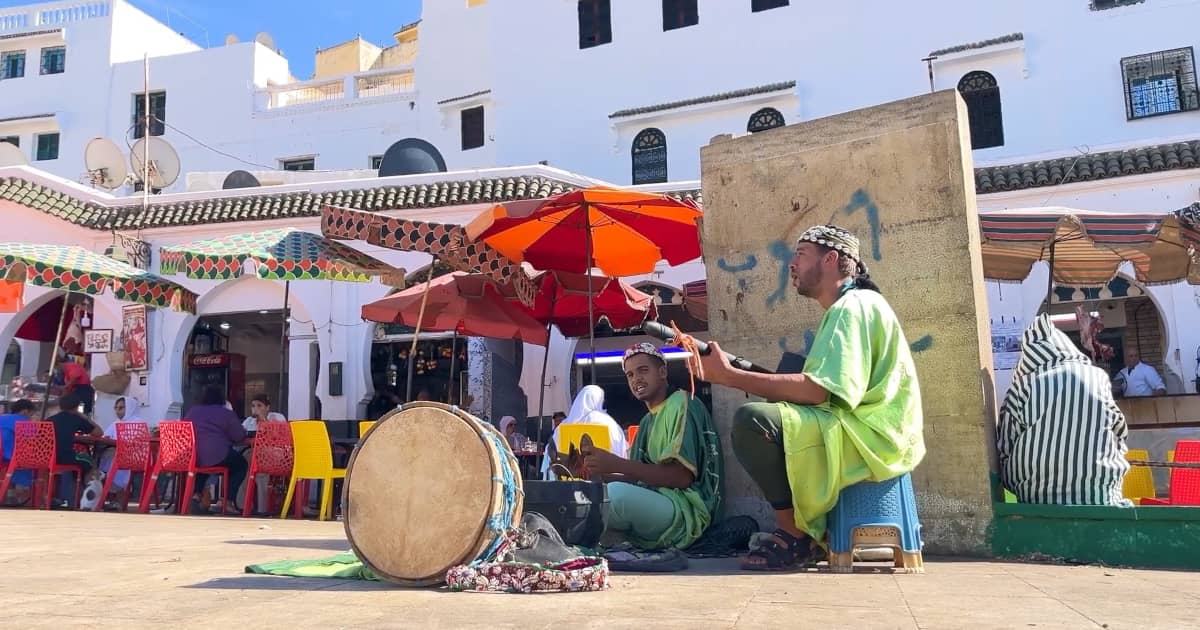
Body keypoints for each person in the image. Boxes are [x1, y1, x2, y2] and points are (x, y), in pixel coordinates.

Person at [688, 224, 925, 571]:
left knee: (754, 422)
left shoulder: (852, 308)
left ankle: (796, 534)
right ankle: (808, 530)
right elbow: (823, 388)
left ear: (830, 260)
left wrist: (729, 376)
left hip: (871, 435)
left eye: (800, 254)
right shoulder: (854, 306)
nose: (791, 265)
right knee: (774, 412)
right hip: (867, 429)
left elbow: (817, 391)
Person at [581, 343, 723, 551]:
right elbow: (638, 478)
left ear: (663, 372)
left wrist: (616, 463)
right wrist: (598, 475)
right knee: (589, 494)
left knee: (615, 496)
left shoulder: (681, 403)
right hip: (660, 503)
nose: (636, 379)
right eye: (630, 375)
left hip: (686, 510)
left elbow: (681, 477)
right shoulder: (648, 420)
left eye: (643, 370)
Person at [998, 314, 1132, 506]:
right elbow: (1120, 431)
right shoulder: (1098, 377)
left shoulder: (1023, 386)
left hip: (1037, 500)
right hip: (1103, 497)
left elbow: (1005, 446)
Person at [540, 385, 629, 480]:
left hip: (565, 485)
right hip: (606, 483)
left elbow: (550, 456)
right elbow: (620, 449)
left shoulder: (563, 426)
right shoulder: (607, 422)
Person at [185, 385, 248, 513]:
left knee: (203, 465)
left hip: (193, 456)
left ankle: (197, 494)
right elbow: (238, 436)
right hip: (218, 454)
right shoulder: (226, 413)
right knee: (241, 465)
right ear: (222, 399)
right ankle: (227, 501)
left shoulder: (193, 411)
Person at [46, 391, 103, 505]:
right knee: (89, 460)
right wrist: (82, 416)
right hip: (65, 457)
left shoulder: (49, 420)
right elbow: (99, 432)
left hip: (47, 457)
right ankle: (87, 499)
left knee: (81, 460)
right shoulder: (75, 418)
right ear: (77, 407)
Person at [96, 396, 143, 507]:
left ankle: (117, 498)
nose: (117, 411)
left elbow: (135, 444)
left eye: (121, 408)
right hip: (114, 453)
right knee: (98, 457)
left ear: (130, 408)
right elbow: (106, 437)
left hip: (133, 457)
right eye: (116, 408)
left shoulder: (139, 423)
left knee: (112, 459)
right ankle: (102, 497)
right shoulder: (116, 423)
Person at [0, 398, 37, 504]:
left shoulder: (1, 418)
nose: (31, 416)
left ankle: (11, 495)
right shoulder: (24, 421)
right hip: (10, 456)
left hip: (1, 455)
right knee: (33, 461)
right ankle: (31, 496)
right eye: (31, 414)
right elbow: (34, 440)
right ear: (25, 411)